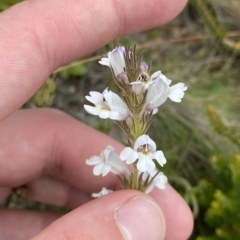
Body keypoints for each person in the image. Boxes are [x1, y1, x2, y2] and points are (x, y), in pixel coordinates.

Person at [0, 0, 193, 239]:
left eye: (145, 148)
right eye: (144, 148)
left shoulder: (146, 123)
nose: (144, 148)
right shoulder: (127, 118)